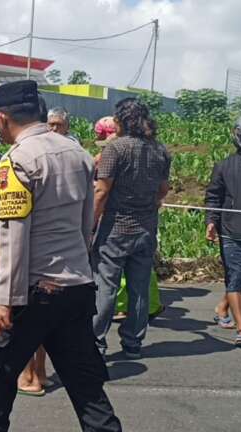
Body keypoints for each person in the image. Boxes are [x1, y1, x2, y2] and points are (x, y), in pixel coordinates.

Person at [0, 80, 121, 431]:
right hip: (78, 287)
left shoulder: (16, 160)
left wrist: (4, 301)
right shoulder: (79, 154)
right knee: (87, 389)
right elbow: (87, 225)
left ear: (3, 118)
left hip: (35, 292)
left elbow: (13, 234)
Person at [92, 98, 171, 359]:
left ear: (120, 121)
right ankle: (133, 344)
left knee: (106, 286)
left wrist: (89, 226)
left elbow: (102, 191)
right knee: (139, 288)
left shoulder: (115, 149)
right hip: (146, 228)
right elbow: (162, 191)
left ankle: (96, 343)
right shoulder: (160, 150)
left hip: (115, 227)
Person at [205, 111, 241, 349]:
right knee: (236, 279)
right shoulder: (225, 167)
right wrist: (211, 221)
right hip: (232, 233)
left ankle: (223, 307)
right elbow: (213, 197)